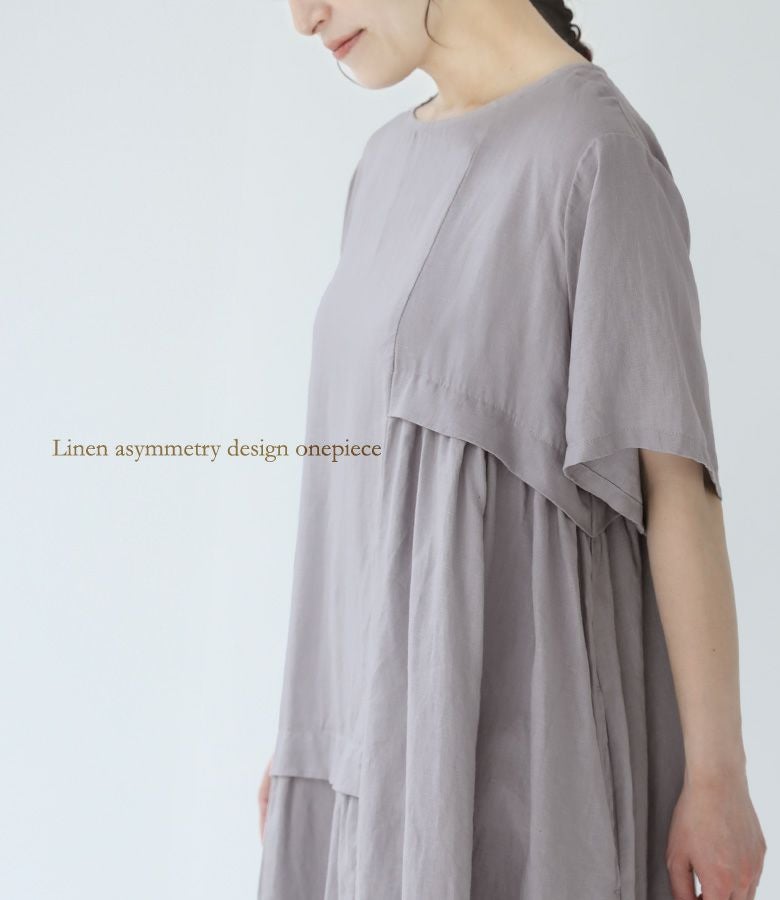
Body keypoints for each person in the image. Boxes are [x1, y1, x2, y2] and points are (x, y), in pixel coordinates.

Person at [256, 1, 767, 898]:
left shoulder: (596, 154)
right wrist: (311, 737)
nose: (304, 19)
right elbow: (359, 484)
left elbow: (677, 487)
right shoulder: (381, 166)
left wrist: (718, 778)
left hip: (513, 770)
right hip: (364, 761)